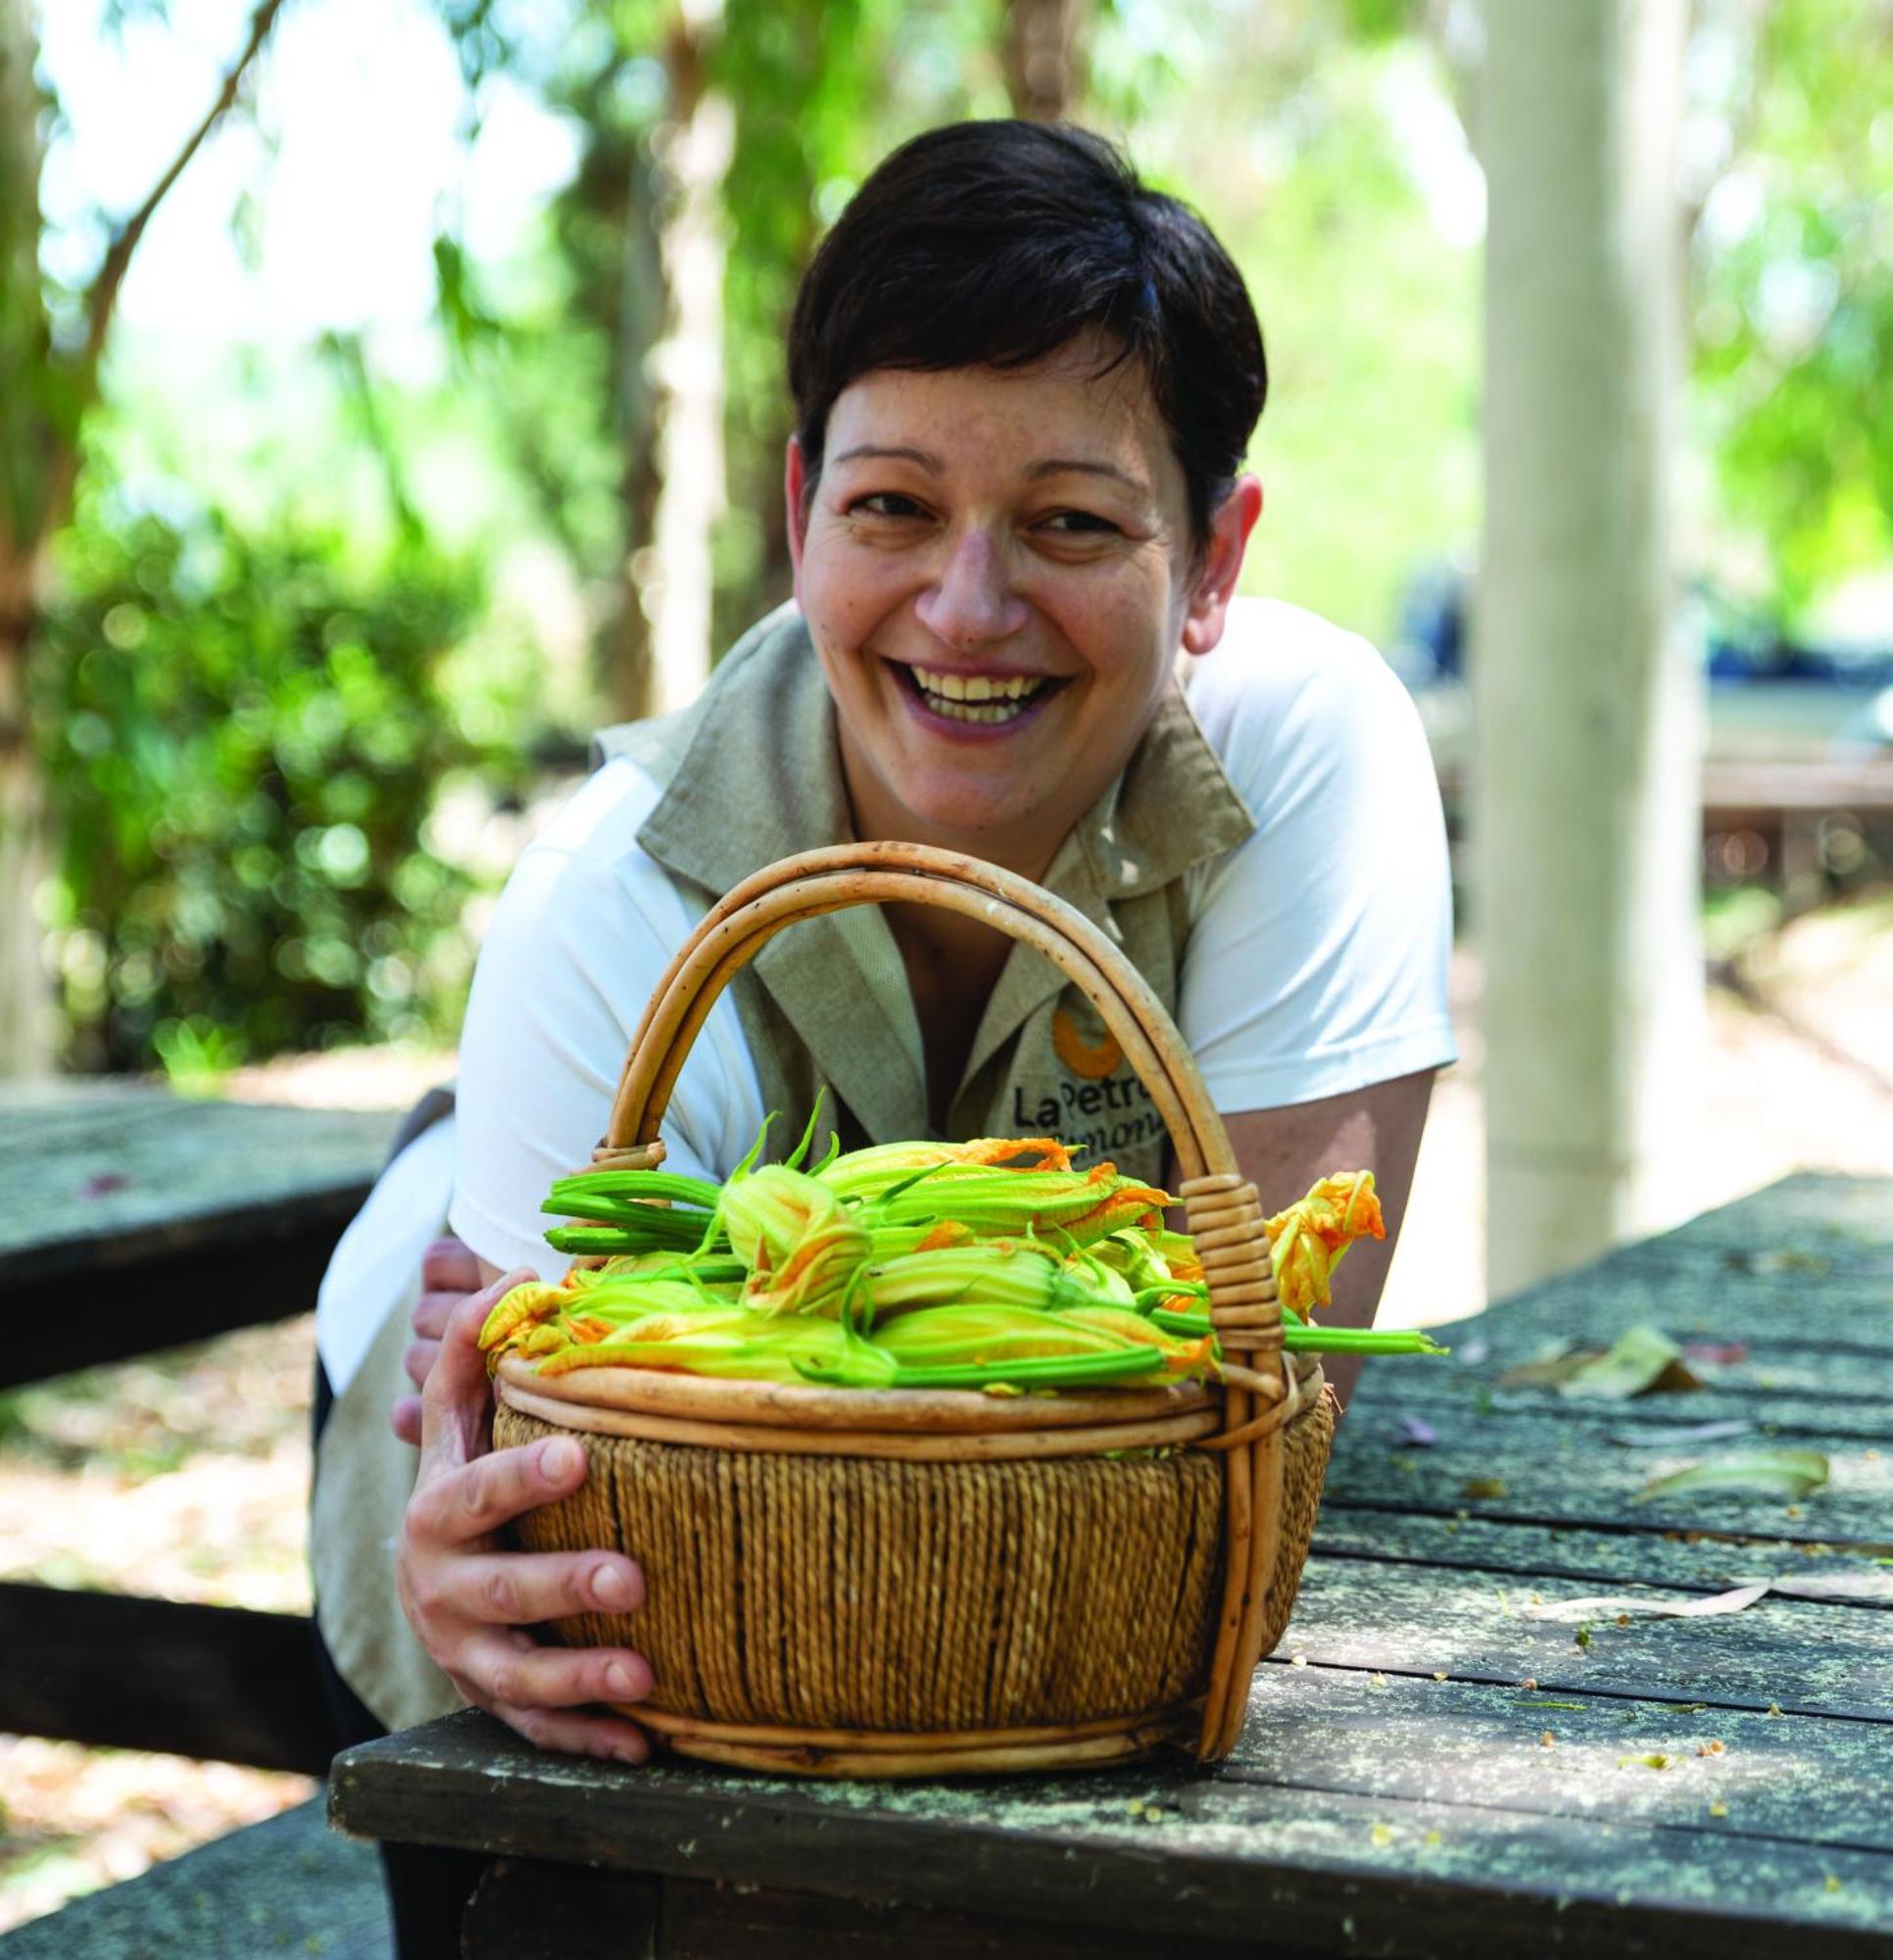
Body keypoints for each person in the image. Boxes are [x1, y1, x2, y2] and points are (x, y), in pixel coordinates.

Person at [309, 115, 1454, 1951]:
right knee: (557, 1765)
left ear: (1216, 557)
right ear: (798, 515)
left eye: (1074, 523)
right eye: (893, 507)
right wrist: (472, 1533)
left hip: (841, 1419)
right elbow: (590, 1515)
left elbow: (1269, 1396)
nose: (971, 608)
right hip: (455, 1261)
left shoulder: (1311, 756)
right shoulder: (609, 895)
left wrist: (795, 1334)